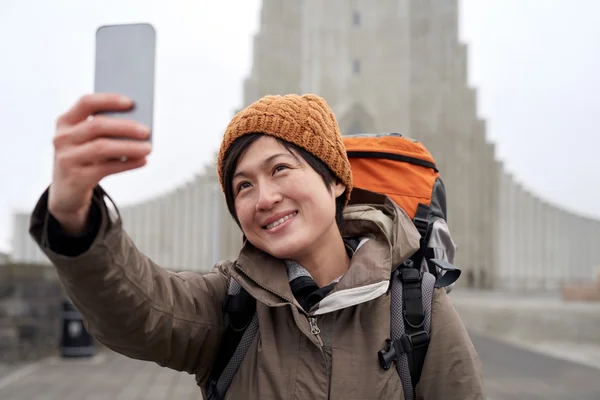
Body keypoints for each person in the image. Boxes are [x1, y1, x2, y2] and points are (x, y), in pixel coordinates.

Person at [29, 92, 486, 399]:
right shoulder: (230, 305)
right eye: (243, 186)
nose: (264, 198)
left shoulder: (416, 306)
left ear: (334, 181)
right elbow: (140, 310)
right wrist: (73, 218)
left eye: (281, 169)